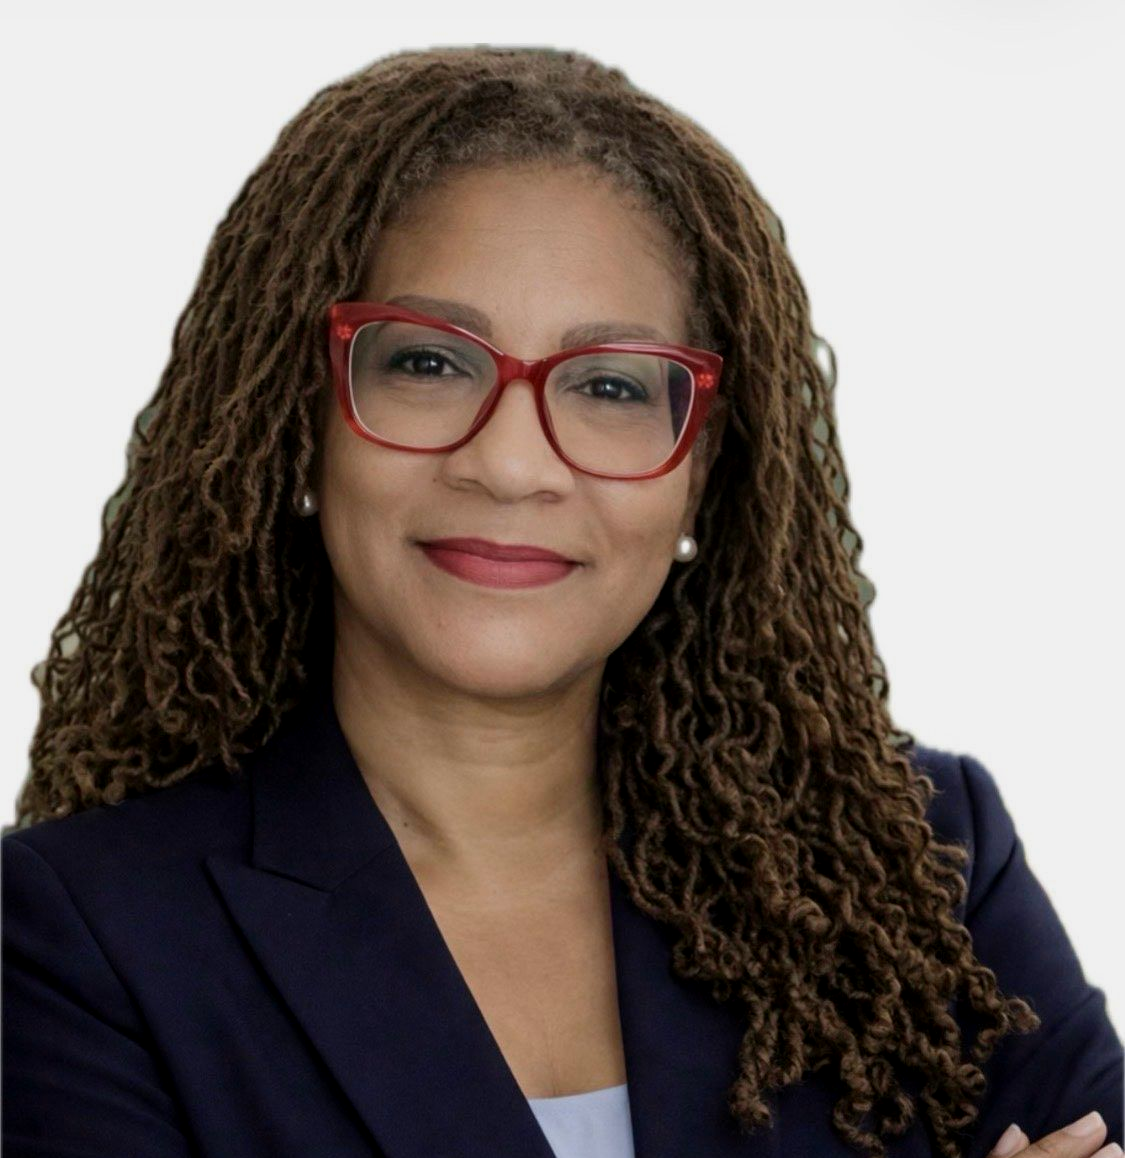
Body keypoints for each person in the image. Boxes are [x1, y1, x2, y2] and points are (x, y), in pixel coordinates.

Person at [2, 44, 1121, 1158]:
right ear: (303, 419)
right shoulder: (75, 939)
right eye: (429, 363)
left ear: (703, 467)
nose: (511, 463)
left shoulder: (919, 863)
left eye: (610, 385)